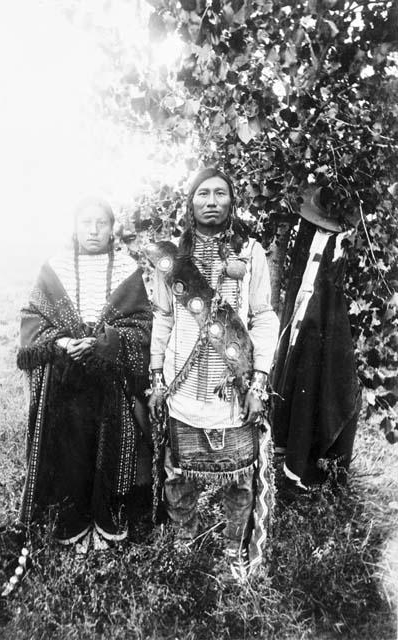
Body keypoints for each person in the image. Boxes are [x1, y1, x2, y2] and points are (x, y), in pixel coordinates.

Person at [147, 168, 279, 580]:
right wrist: (156, 377)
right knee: (178, 472)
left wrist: (257, 380)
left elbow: (263, 317)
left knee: (239, 479)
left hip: (233, 389)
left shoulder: (251, 252)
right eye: (202, 193)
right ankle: (185, 542)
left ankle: (232, 550)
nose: (211, 201)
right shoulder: (173, 260)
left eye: (220, 193)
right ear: (191, 203)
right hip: (183, 387)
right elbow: (163, 319)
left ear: (231, 201)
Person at [16, 197, 153, 554]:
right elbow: (32, 319)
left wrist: (104, 343)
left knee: (109, 442)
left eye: (101, 223)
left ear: (112, 229)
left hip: (111, 379)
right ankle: (72, 519)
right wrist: (62, 342)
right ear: (74, 227)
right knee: (70, 448)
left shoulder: (127, 269)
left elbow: (140, 325)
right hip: (64, 379)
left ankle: (107, 517)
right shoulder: (54, 268)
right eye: (85, 223)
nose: (93, 230)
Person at [272, 186, 361, 490]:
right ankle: (289, 453)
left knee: (318, 379)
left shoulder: (342, 245)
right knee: (295, 378)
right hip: (301, 316)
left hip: (322, 324)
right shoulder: (307, 234)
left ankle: (308, 462)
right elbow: (302, 276)